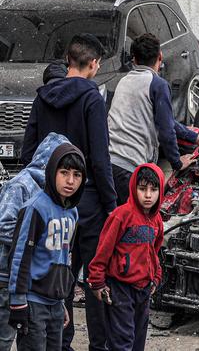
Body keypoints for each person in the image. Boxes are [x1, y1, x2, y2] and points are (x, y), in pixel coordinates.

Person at [19, 33, 117, 351]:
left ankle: (60, 342)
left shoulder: (42, 97)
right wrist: (111, 204)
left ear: (67, 62)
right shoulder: (91, 98)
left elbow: (29, 153)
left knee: (57, 271)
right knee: (95, 279)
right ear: (93, 64)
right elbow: (100, 159)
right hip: (87, 202)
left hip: (50, 201)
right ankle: (99, 345)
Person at [107, 33, 199, 205]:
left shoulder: (124, 81)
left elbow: (165, 120)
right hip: (130, 166)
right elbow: (166, 131)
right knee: (135, 225)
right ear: (160, 56)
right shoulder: (157, 84)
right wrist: (177, 162)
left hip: (109, 163)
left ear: (134, 60)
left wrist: (194, 136)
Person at [7, 143, 86, 350]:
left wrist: (62, 301)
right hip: (33, 303)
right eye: (64, 172)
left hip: (55, 304)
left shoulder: (73, 213)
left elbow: (63, 258)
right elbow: (19, 256)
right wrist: (17, 302)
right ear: (52, 172)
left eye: (77, 175)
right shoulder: (35, 208)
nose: (70, 181)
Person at [0, 133, 68, 350]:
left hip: (29, 283)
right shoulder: (21, 185)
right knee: (3, 337)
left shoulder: (51, 192)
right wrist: (34, 238)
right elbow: (3, 224)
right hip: (5, 276)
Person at [87, 164, 164, 351]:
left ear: (160, 192)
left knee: (138, 341)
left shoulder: (157, 220)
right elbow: (103, 250)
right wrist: (97, 280)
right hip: (120, 288)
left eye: (153, 190)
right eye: (142, 189)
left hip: (144, 289)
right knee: (122, 340)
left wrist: (155, 277)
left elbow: (154, 251)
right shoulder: (121, 215)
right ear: (133, 188)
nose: (148, 195)